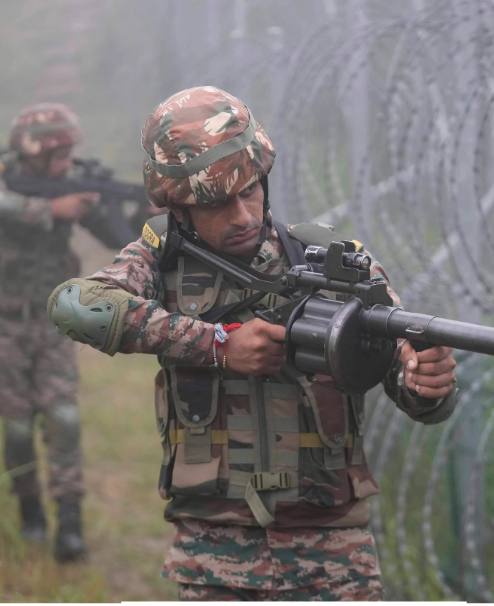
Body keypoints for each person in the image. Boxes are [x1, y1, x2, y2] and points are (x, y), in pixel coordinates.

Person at [46, 87, 459, 599]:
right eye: (217, 203)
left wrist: (426, 383)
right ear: (178, 206)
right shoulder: (159, 258)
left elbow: (410, 383)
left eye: (250, 192)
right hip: (215, 549)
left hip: (334, 550)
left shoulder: (333, 262)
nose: (241, 216)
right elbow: (74, 304)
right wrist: (217, 344)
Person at [0, 102, 106, 562]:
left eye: (71, 153)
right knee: (17, 427)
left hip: (52, 323)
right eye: (60, 153)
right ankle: (29, 507)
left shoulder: (71, 182)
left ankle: (70, 524)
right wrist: (52, 207)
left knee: (64, 419)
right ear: (34, 151)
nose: (68, 162)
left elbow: (114, 232)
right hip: (0, 324)